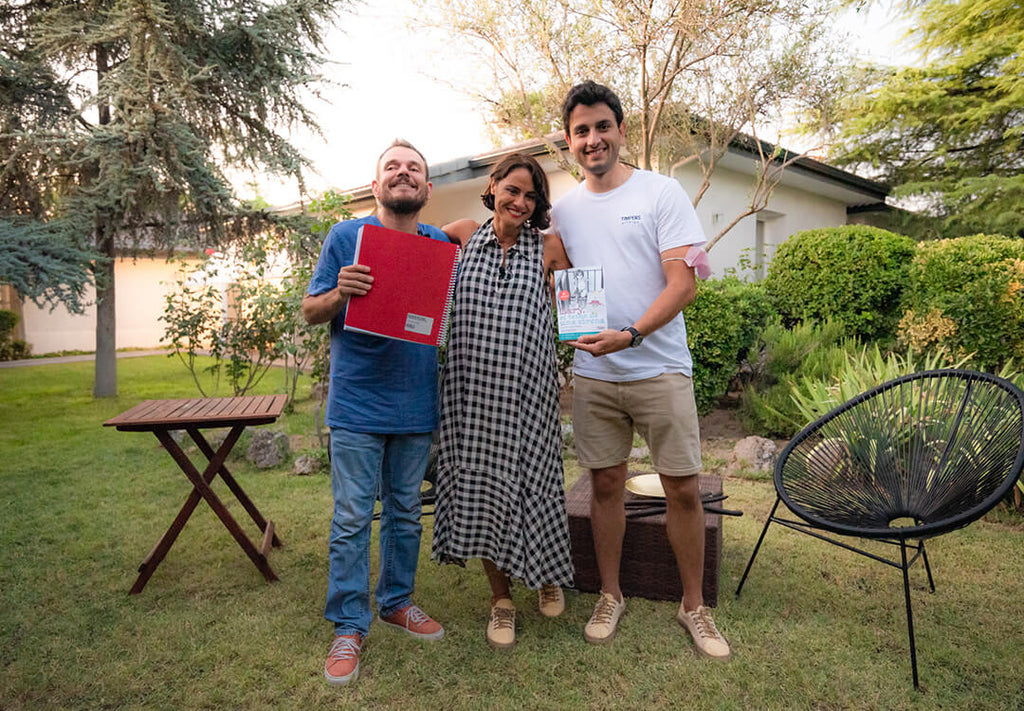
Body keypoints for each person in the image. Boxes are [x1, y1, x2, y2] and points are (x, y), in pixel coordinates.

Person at [548, 80, 728, 660]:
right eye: (581, 131)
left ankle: (693, 606)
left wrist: (630, 334)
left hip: (660, 368)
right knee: (604, 485)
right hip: (594, 375)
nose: (593, 139)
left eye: (602, 126)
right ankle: (610, 593)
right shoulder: (563, 209)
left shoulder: (662, 193)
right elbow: (563, 280)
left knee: (681, 487)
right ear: (570, 142)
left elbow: (685, 283)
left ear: (621, 130)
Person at [302, 139, 446, 686]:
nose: (403, 174)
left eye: (414, 168)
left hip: (415, 405)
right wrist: (340, 290)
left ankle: (396, 601)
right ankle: (348, 623)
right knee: (352, 517)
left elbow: (469, 232)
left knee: (407, 512)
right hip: (358, 405)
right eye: (393, 167)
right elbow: (311, 311)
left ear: (427, 189)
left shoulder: (436, 242)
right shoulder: (346, 236)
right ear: (376, 183)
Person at [432, 152, 574, 651]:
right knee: (485, 488)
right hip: (471, 394)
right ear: (492, 187)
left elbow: (580, 305)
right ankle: (501, 600)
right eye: (512, 189)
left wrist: (596, 337)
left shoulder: (548, 246)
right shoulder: (463, 234)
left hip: (530, 393)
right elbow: (409, 251)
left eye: (530, 195)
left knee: (536, 485)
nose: (519, 201)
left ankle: (547, 575)